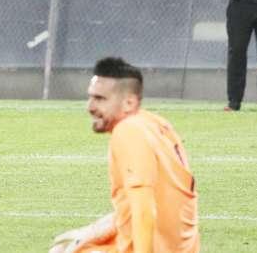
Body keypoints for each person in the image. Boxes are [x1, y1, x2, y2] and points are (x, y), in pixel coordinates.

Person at [49, 57, 199, 253]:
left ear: (129, 103)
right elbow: (167, 202)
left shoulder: (128, 132)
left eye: (100, 99)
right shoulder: (157, 124)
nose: (90, 107)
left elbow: (144, 210)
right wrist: (95, 230)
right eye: (91, 97)